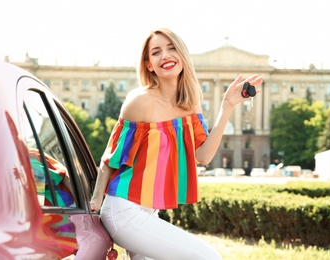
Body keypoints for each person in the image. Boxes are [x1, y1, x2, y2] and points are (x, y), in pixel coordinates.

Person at [90, 28, 263, 260]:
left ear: (182, 56)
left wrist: (227, 107)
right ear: (149, 64)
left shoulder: (190, 105)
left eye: (172, 48)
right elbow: (111, 157)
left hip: (148, 211)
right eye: (156, 52)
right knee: (208, 257)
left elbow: (203, 156)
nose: (166, 56)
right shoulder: (140, 101)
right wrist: (95, 202)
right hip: (124, 209)